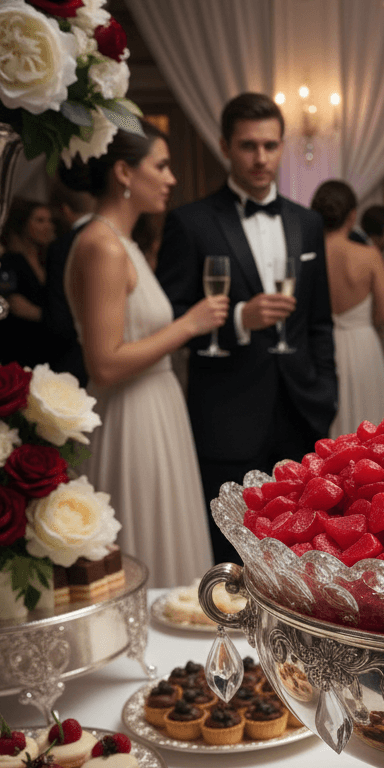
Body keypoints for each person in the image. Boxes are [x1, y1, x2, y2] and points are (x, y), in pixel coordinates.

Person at [157, 92, 336, 564]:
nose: (260, 158)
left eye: (270, 146)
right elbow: (171, 316)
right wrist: (239, 318)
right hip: (228, 412)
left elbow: (319, 320)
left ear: (282, 147)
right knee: (231, 551)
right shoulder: (190, 223)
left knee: (300, 550)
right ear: (225, 147)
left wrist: (326, 391)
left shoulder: (307, 222)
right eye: (248, 146)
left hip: (302, 408)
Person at [61, 124, 228, 587]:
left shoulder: (123, 242)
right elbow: (104, 363)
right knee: (144, 549)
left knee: (167, 540)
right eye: (161, 165)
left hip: (157, 409)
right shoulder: (102, 245)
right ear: (123, 172)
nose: (171, 178)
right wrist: (189, 325)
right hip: (131, 417)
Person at [309, 179, 384, 435]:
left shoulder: (309, 255)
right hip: (362, 347)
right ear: (352, 215)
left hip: (320, 347)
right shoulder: (368, 255)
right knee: (369, 427)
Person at [43, 184, 94, 386]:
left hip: (73, 354)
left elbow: (58, 314)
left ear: (64, 210)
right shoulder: (118, 237)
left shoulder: (63, 246)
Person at [0, 198, 55, 367]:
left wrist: (43, 315)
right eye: (40, 220)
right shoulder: (10, 262)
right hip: (20, 351)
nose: (48, 226)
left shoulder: (50, 261)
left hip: (49, 351)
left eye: (50, 220)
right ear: (22, 224)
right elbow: (13, 305)